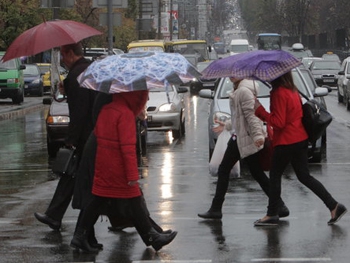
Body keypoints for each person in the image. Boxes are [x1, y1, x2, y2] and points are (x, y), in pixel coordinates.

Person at [70, 90, 177, 252]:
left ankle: (81, 235)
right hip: (118, 168)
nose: (145, 100)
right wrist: (133, 174)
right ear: (137, 97)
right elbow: (127, 149)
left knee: (98, 200)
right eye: (144, 97)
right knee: (131, 198)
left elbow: (99, 135)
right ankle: (152, 236)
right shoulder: (125, 114)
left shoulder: (107, 109)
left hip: (103, 164)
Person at [254, 71, 347, 226]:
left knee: (275, 176)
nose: (267, 77)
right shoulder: (292, 90)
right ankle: (334, 206)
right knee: (305, 176)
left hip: (286, 141)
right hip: (300, 139)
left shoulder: (278, 93)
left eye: (269, 75)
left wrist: (259, 111)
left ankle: (272, 213)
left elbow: (278, 122)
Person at [198, 77, 289, 220]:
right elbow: (237, 118)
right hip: (241, 136)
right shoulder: (238, 90)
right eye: (230, 73)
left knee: (225, 169)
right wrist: (226, 125)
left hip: (243, 138)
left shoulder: (244, 91)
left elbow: (251, 116)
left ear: (243, 75)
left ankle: (216, 209)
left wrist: (258, 136)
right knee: (256, 173)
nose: (231, 76)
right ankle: (280, 205)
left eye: (234, 73)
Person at [34, 42, 97, 230]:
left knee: (96, 184)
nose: (62, 60)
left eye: (62, 55)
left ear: (70, 54)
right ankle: (54, 215)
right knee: (70, 176)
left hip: (86, 138)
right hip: (92, 135)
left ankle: (128, 220)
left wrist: (71, 141)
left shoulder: (77, 76)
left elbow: (79, 112)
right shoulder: (86, 71)